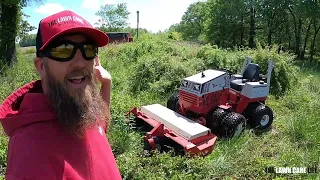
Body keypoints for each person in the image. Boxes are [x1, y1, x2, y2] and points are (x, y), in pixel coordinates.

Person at [0, 10, 122, 180]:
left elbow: (100, 127)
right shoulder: (30, 155)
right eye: (64, 50)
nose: (80, 62)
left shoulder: (79, 107)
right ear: (41, 66)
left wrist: (106, 85)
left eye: (88, 49)